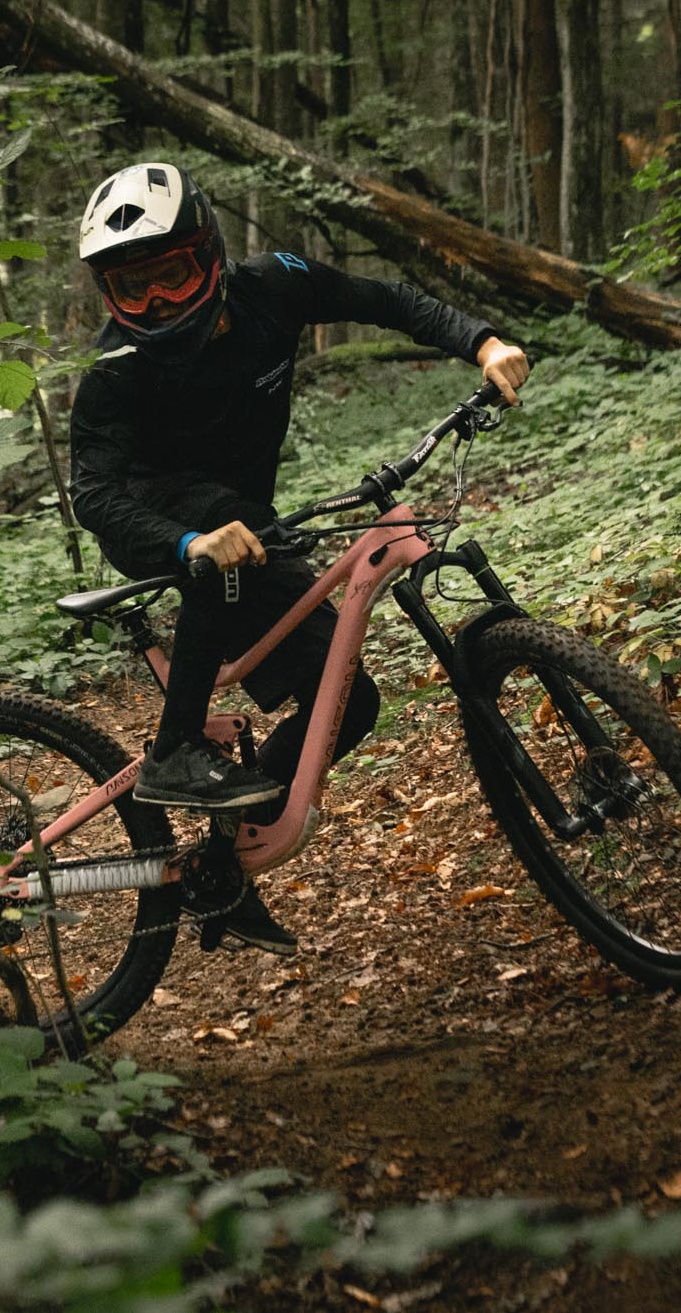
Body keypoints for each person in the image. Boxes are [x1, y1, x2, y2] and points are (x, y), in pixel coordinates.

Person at [67, 161, 530, 952]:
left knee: (348, 700)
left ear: (209, 253)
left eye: (171, 276)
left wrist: (483, 342)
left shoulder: (272, 286)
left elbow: (387, 302)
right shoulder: (115, 372)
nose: (156, 303)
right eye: (131, 289)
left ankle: (224, 863)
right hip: (155, 523)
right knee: (224, 524)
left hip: (245, 530)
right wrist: (187, 543)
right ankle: (174, 752)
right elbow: (94, 495)